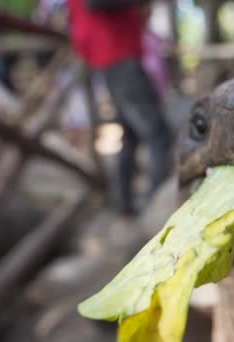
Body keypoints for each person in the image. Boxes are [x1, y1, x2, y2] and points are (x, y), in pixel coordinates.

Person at [67, 0, 173, 216]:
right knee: (158, 134)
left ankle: (124, 204)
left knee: (131, 134)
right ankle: (159, 206)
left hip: (112, 56)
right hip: (118, 56)